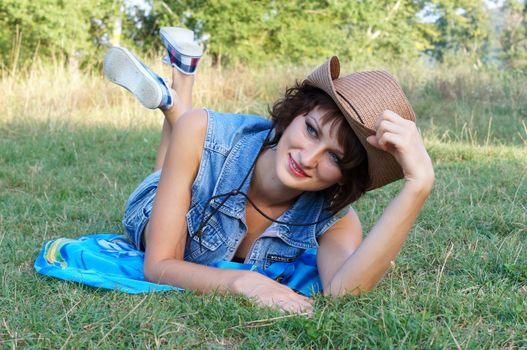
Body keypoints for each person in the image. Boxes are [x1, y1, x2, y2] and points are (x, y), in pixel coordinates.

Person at [103, 27, 435, 314]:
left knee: (186, 146)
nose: (307, 158)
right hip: (151, 204)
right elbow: (159, 265)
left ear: (347, 175)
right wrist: (244, 281)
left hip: (195, 152)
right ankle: (178, 103)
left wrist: (418, 185)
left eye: (334, 158)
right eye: (311, 130)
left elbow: (344, 292)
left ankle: (177, 91)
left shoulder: (337, 221)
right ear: (295, 112)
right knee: (180, 152)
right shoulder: (208, 133)